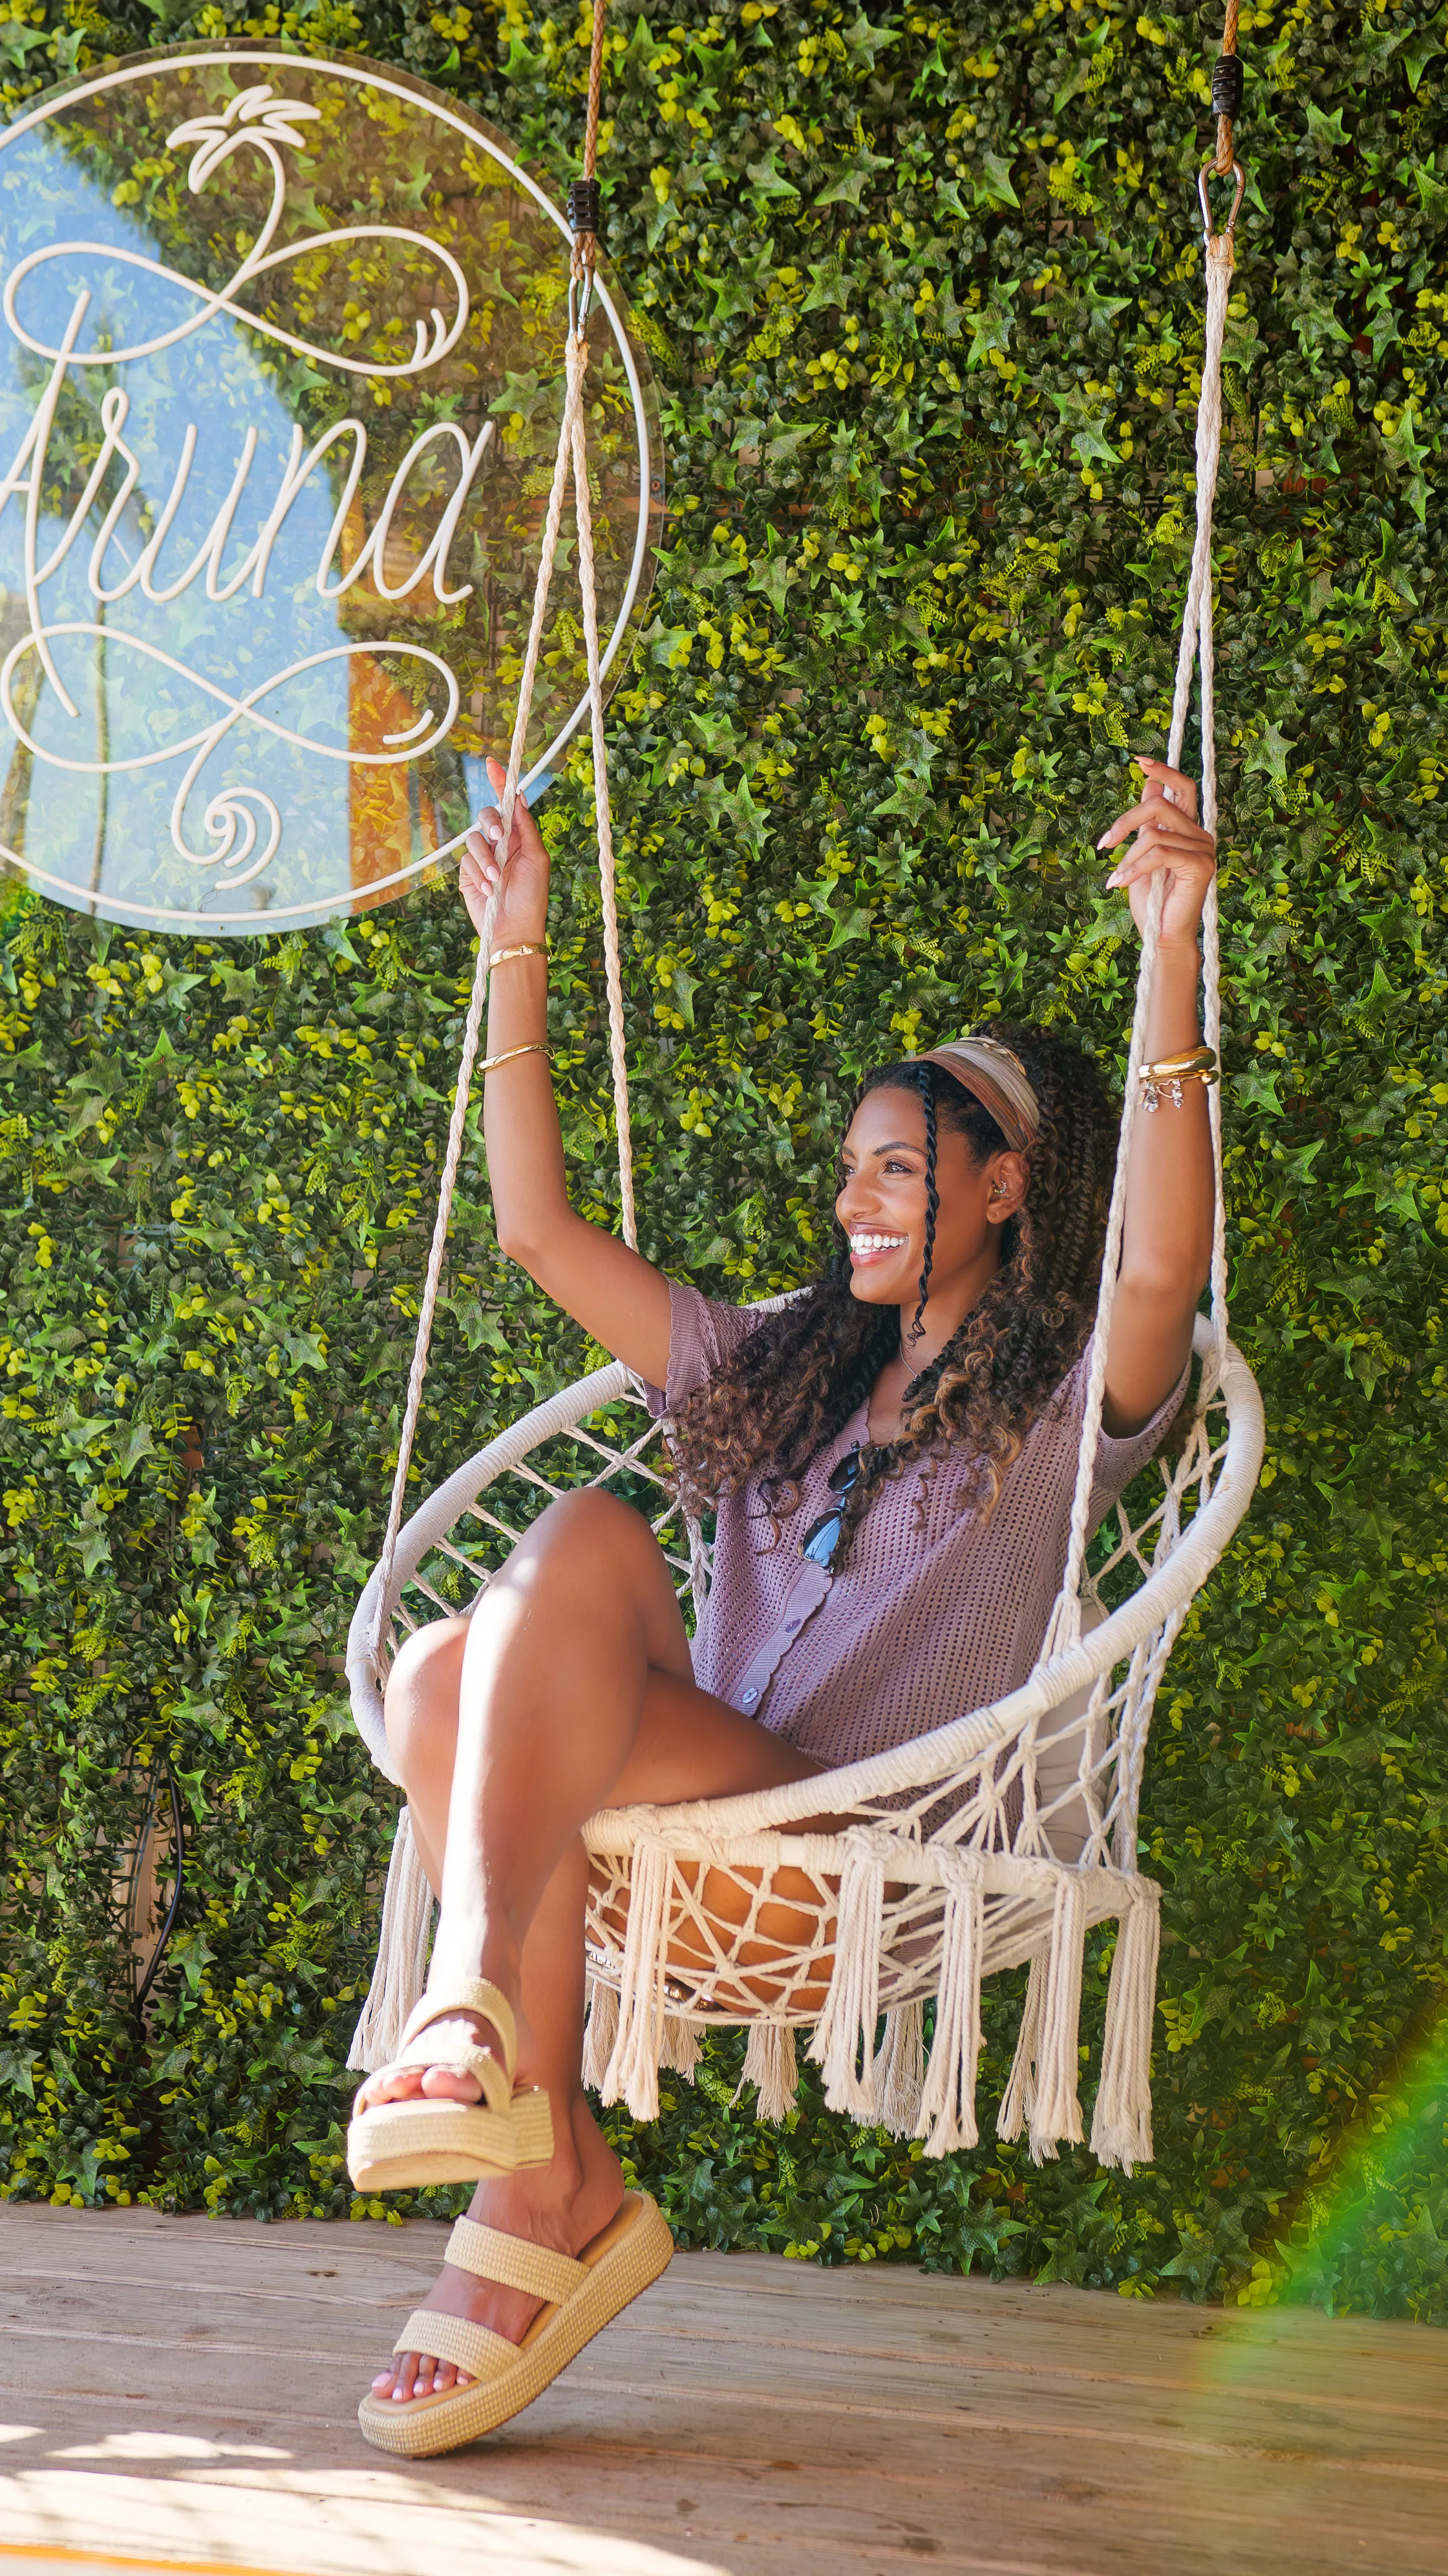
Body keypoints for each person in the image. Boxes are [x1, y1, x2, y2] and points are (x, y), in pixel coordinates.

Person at [352, 752, 1218, 2449]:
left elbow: (1166, 1268)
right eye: (850, 1169)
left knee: (553, 1573)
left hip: (848, 1852)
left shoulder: (1062, 1417)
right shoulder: (780, 1371)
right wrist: (515, 942)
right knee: (465, 1654)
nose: (850, 1202)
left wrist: (1173, 952)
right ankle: (543, 2164)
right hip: (682, 1816)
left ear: (1004, 1186)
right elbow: (535, 1232)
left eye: (896, 1169)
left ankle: (494, 2080)